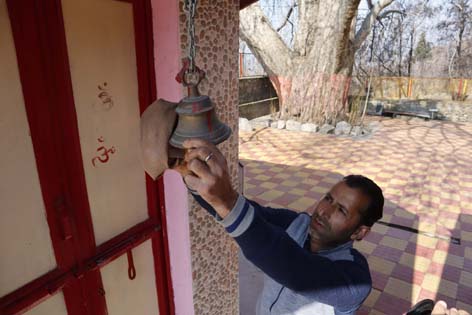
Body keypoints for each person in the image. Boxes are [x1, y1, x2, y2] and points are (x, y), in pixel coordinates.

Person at [181, 138, 384, 315]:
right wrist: (190, 176)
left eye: (341, 210)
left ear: (360, 231)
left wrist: (226, 200)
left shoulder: (355, 280)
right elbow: (247, 212)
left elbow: (293, 269)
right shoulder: (296, 223)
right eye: (328, 199)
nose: (324, 211)